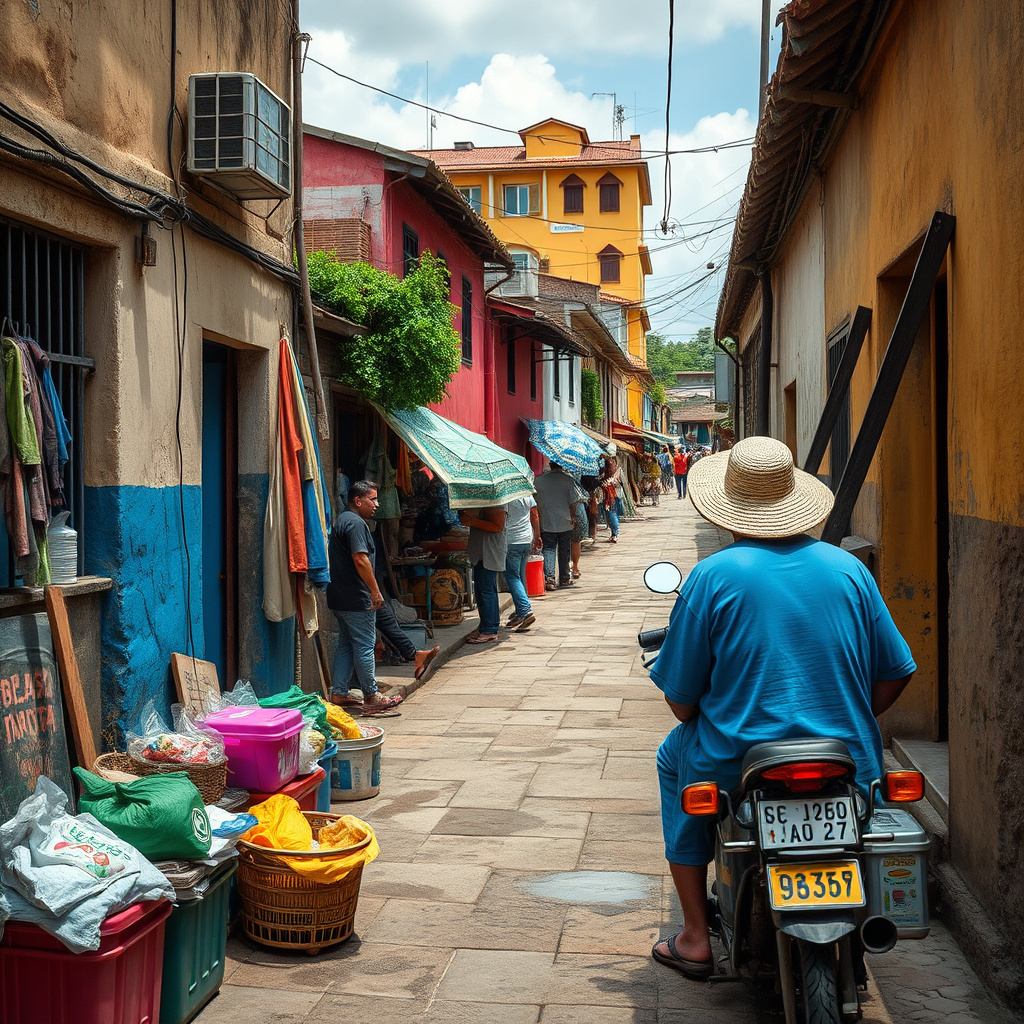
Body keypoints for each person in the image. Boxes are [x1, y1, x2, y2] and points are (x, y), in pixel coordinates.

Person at [650, 437, 916, 978]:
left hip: (735, 762)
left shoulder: (710, 577)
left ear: (729, 510)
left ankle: (697, 937)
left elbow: (681, 704)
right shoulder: (849, 570)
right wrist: (849, 715)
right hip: (847, 759)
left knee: (671, 758)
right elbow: (895, 671)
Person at [326, 479, 403, 714]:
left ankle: (339, 693)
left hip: (340, 596)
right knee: (365, 645)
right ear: (358, 500)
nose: (377, 504)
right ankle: (371, 695)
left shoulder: (346, 521)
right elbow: (360, 559)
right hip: (355, 597)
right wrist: (374, 590)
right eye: (373, 499)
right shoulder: (356, 524)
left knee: (347, 645)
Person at [460, 504, 507, 644]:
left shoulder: (496, 503)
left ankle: (490, 629)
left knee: (487, 590)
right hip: (481, 552)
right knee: (481, 590)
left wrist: (473, 521)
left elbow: (498, 526)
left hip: (490, 552)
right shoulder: (484, 501)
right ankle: (484, 626)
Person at [534, 461, 577, 588]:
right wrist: (572, 516)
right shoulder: (569, 480)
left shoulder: (538, 481)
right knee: (564, 550)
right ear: (561, 466)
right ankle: (564, 578)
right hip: (565, 521)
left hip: (546, 520)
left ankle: (550, 579)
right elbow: (573, 503)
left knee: (549, 549)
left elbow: (535, 502)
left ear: (551, 465)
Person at [503, 492, 540, 631]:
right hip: (526, 539)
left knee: (512, 577)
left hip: (511, 541)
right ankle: (520, 611)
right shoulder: (526, 494)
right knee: (519, 576)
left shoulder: (506, 496)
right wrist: (537, 535)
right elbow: (535, 515)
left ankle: (525, 610)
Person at [598, 445, 624, 543]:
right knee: (611, 513)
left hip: (609, 492)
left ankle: (615, 534)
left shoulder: (609, 462)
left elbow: (607, 475)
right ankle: (614, 533)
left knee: (611, 512)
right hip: (611, 492)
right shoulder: (612, 462)